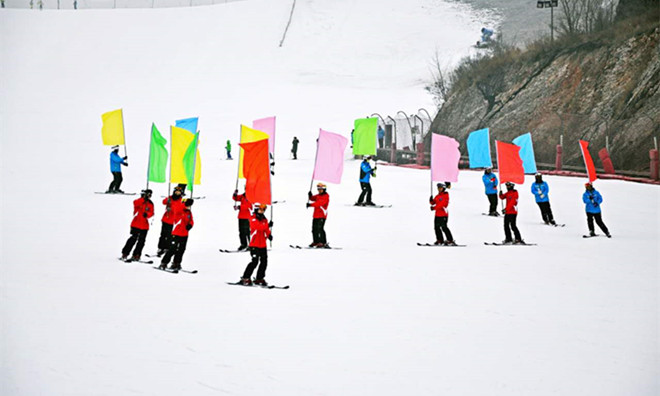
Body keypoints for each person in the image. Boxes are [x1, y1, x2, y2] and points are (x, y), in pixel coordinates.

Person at [240, 203, 273, 286]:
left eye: (263, 210)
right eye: (261, 209)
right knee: (254, 262)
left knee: (264, 262)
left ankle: (259, 278)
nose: (262, 211)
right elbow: (259, 227)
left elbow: (265, 229)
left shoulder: (264, 219)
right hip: (254, 244)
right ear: (256, 209)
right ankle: (246, 277)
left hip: (262, 244)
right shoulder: (252, 218)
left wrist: (269, 235)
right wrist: (267, 225)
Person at [159, 198, 194, 271]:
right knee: (172, 249)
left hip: (184, 234)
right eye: (188, 205)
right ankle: (164, 262)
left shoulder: (189, 212)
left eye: (189, 205)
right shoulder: (179, 210)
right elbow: (178, 207)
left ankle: (176, 263)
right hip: (176, 233)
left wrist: (190, 225)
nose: (188, 206)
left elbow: (191, 220)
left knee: (181, 250)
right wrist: (185, 204)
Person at [121, 189, 154, 261]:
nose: (148, 196)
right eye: (147, 194)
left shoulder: (150, 203)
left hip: (144, 226)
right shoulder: (139, 201)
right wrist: (143, 198)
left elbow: (152, 212)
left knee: (141, 241)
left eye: (149, 195)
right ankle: (125, 253)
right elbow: (135, 203)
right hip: (136, 224)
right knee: (133, 239)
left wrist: (147, 214)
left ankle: (137, 254)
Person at [156, 186, 185, 256]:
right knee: (163, 234)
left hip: (173, 221)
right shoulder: (170, 198)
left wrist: (178, 219)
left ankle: (167, 247)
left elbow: (182, 211)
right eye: (176, 191)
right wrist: (167, 201)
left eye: (179, 192)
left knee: (170, 235)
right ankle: (160, 247)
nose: (177, 193)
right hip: (166, 219)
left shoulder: (181, 201)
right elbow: (163, 202)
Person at [307, 183, 330, 248]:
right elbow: (313, 198)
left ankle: (323, 242)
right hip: (316, 215)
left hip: (322, 216)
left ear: (324, 189)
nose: (319, 190)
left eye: (321, 189)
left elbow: (318, 203)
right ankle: (316, 241)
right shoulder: (318, 195)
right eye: (318, 189)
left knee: (320, 229)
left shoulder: (326, 196)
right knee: (314, 229)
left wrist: (310, 205)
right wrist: (310, 196)